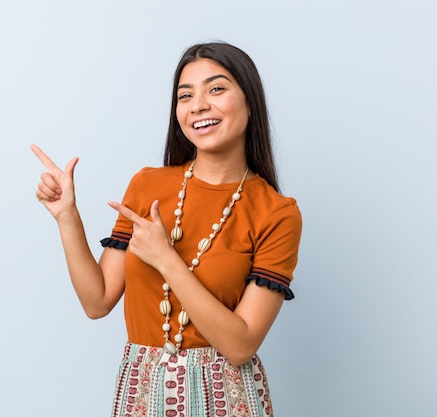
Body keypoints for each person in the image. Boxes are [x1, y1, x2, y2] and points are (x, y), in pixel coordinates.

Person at [31, 41, 302, 417]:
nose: (199, 105)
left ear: (250, 101)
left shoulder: (276, 213)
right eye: (185, 95)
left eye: (216, 88)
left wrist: (165, 259)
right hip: (143, 394)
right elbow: (97, 301)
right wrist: (67, 217)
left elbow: (240, 346)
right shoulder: (147, 186)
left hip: (228, 399)